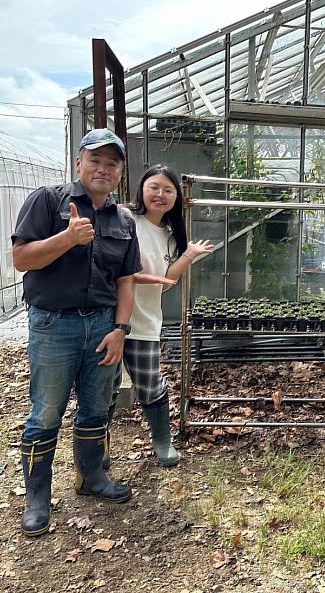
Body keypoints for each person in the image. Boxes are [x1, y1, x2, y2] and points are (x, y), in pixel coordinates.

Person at [12, 128, 142, 537]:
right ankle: (37, 498)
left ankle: (91, 477)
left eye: (112, 163)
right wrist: (67, 238)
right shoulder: (49, 201)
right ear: (78, 163)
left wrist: (121, 329)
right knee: (47, 410)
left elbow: (127, 280)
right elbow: (21, 259)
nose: (103, 169)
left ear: (120, 171)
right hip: (54, 324)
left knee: (96, 407)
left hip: (103, 325)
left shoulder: (122, 219)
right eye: (95, 160)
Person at [107, 165, 213, 468]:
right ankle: (98, 447)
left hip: (145, 321)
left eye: (168, 190)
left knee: (151, 385)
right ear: (142, 188)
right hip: (108, 321)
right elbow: (114, 268)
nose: (160, 195)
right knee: (104, 389)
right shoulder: (125, 219)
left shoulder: (169, 234)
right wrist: (151, 279)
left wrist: (189, 254)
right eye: (154, 187)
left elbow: (167, 278)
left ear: (176, 197)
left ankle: (162, 441)